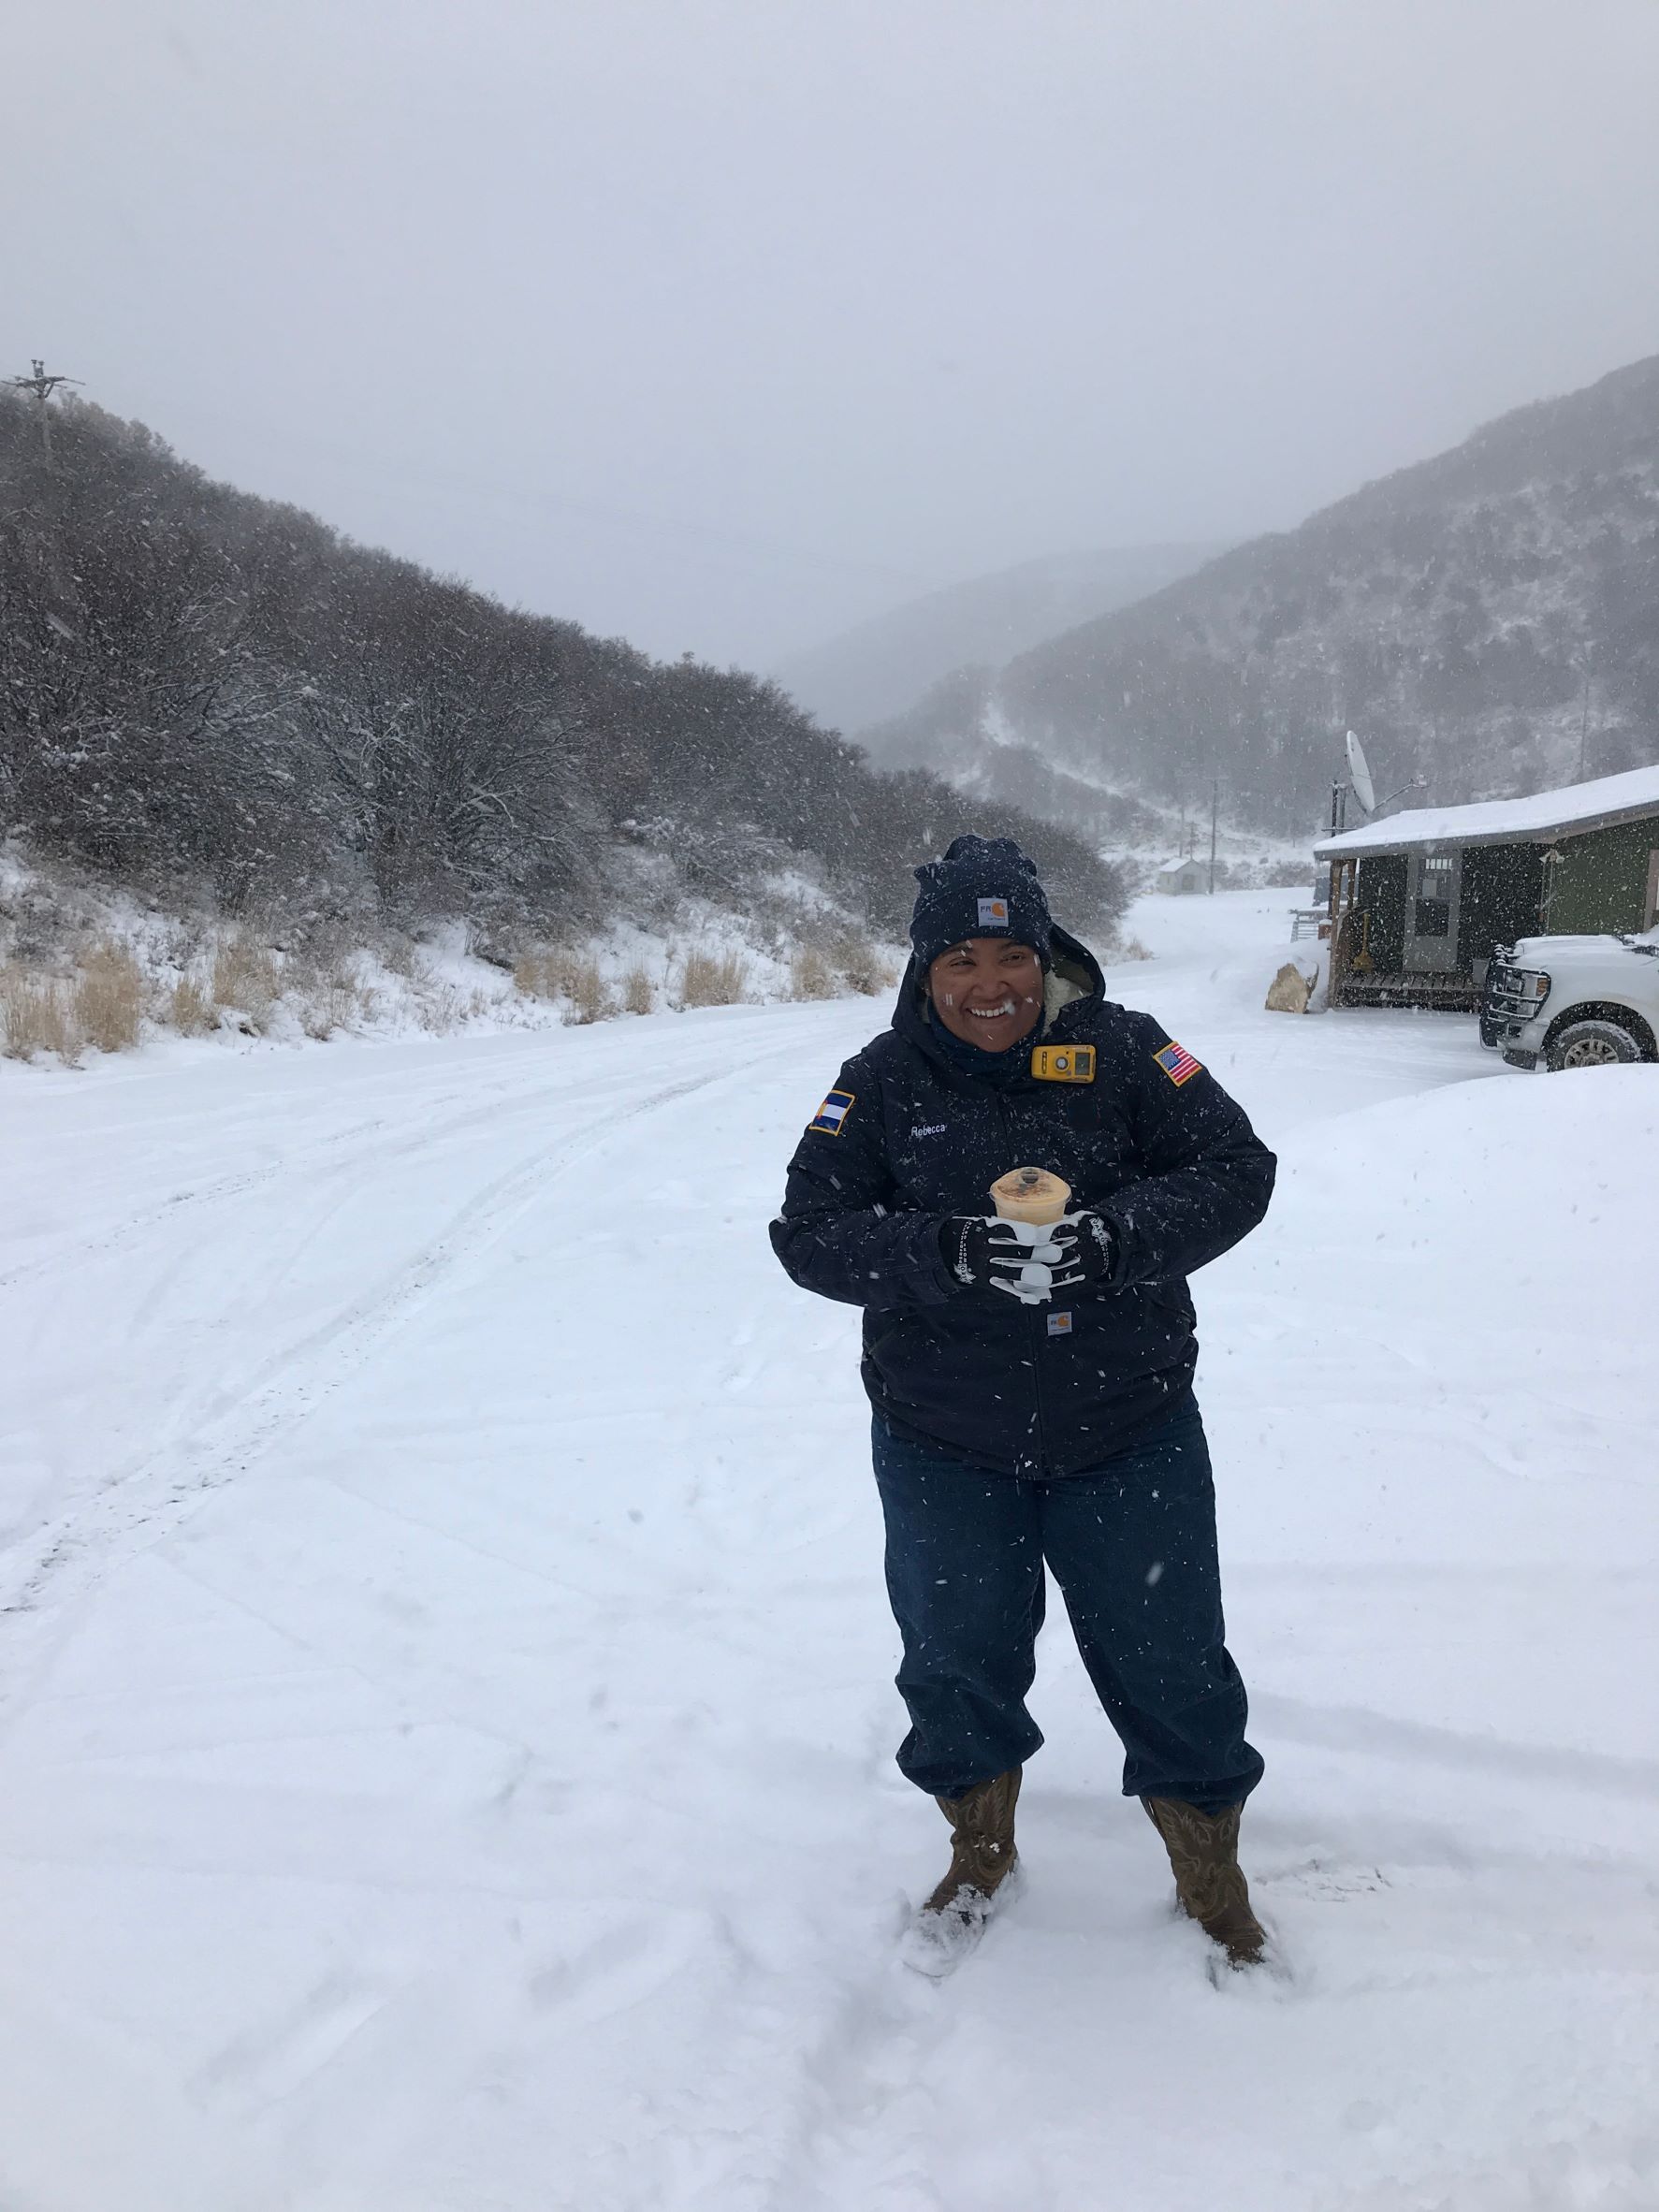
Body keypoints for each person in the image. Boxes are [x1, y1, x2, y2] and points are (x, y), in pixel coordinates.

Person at [769, 835, 1276, 1972]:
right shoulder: (882, 1078)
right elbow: (807, 1234)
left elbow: (1238, 1169)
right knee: (955, 1660)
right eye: (961, 960)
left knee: (1172, 1659)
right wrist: (946, 1250)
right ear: (923, 967)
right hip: (944, 1436)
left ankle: (1211, 1872)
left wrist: (1112, 1239)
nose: (989, 986)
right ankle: (978, 1847)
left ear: (1046, 954)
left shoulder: (1128, 1051)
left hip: (1125, 1427)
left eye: (1012, 955)